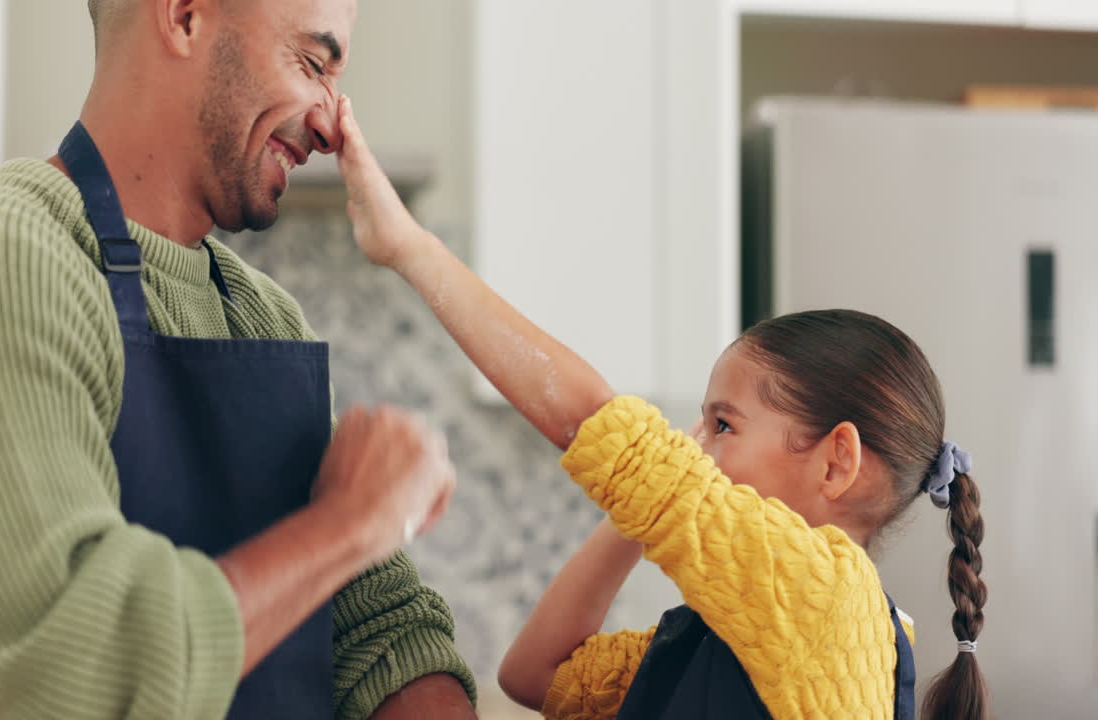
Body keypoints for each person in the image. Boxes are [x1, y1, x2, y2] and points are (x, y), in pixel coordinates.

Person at [0, 1, 478, 719]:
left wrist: (362, 540)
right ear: (182, 16)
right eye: (312, 64)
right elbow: (61, 664)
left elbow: (385, 636)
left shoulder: (262, 317)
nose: (330, 123)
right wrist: (349, 525)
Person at [335, 95, 989, 720]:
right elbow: (536, 675)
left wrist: (410, 248)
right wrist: (643, 505)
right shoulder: (750, 630)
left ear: (836, 461)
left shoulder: (825, 599)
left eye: (724, 424)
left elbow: (594, 423)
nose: (697, 447)